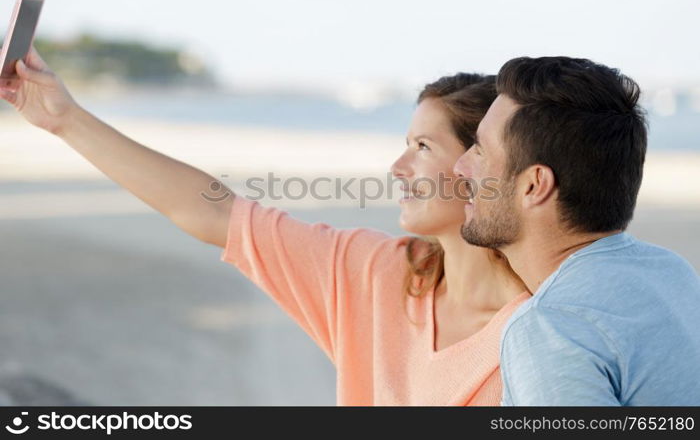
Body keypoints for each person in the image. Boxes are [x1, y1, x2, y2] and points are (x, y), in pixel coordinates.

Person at [1, 48, 529, 405]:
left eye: (422, 148)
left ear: (481, 165)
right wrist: (63, 119)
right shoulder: (377, 273)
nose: (397, 169)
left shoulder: (544, 327)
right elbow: (213, 212)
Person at [453, 56, 700, 405]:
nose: (460, 167)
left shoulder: (552, 327)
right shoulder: (671, 273)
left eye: (480, 151)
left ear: (534, 185)